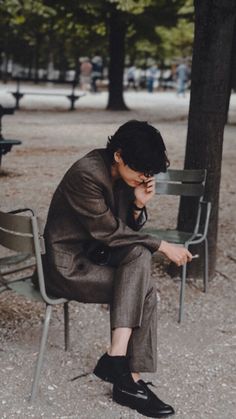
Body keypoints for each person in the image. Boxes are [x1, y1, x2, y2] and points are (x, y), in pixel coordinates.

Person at [42, 120, 192, 418]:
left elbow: (126, 232)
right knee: (144, 287)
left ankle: (121, 367)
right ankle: (127, 378)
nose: (145, 177)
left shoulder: (124, 175)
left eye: (150, 173)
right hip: (68, 267)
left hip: (96, 256)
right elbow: (110, 232)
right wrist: (163, 246)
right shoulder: (86, 174)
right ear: (119, 155)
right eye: (141, 171)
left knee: (139, 257)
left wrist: (137, 206)